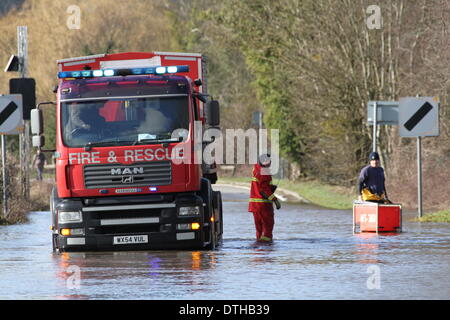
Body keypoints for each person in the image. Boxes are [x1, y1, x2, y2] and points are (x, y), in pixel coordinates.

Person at [248, 154, 281, 242]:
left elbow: (261, 187)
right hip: (263, 205)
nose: (269, 164)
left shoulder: (256, 169)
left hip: (255, 206)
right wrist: (275, 200)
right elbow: (264, 190)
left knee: (259, 228)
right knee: (268, 226)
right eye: (268, 161)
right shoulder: (264, 172)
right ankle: (266, 249)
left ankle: (259, 250)